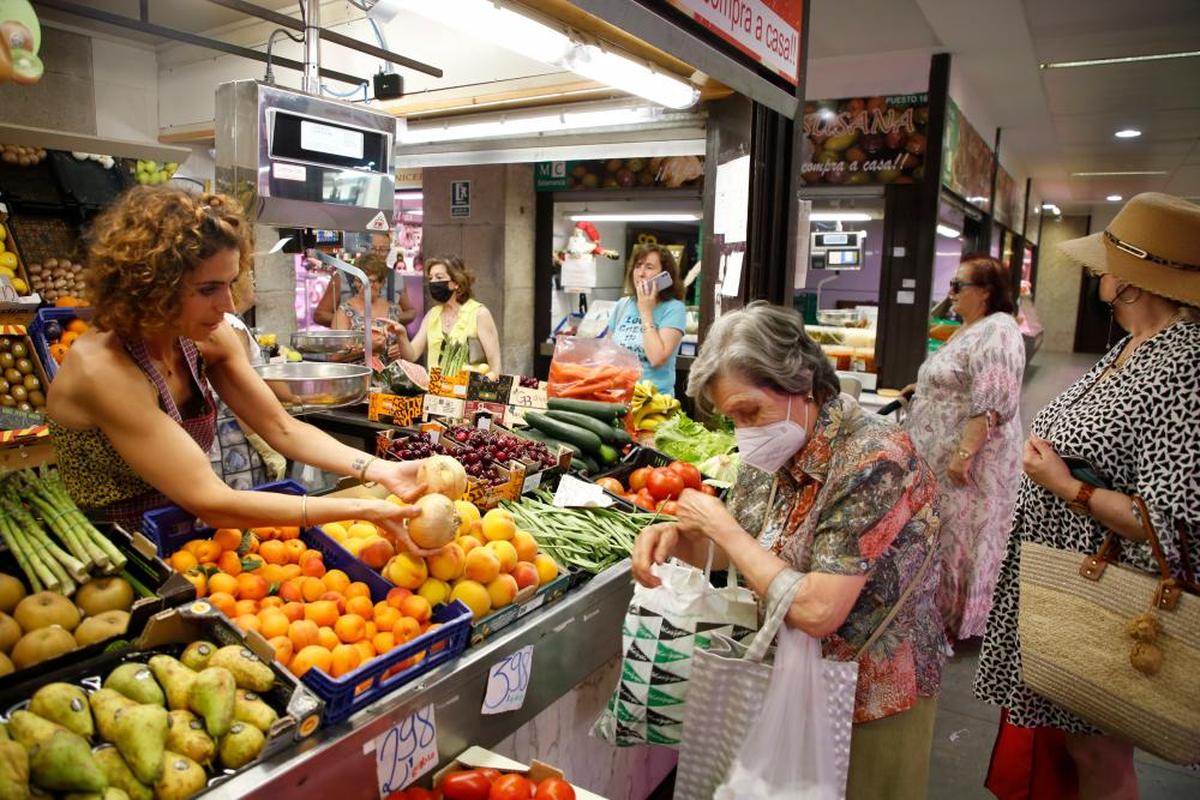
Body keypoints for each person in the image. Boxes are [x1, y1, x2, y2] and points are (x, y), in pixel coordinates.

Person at [631, 302, 945, 799]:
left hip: (868, 695)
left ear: (801, 383)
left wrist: (723, 529)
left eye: (749, 412)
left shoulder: (877, 460)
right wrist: (682, 541)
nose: (744, 433)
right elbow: (755, 553)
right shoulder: (774, 452)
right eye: (732, 418)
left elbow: (819, 610)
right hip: (786, 679)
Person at [46, 186, 438, 554]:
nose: (230, 305)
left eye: (231, 284)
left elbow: (283, 428)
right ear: (151, 286)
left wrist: (379, 468)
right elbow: (212, 501)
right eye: (208, 289)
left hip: (189, 539)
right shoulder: (105, 369)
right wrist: (362, 508)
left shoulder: (206, 338)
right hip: (115, 554)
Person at [974, 192, 1200, 800]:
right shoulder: (1130, 349)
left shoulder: (1184, 363)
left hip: (1104, 591)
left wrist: (1066, 486)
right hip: (1068, 576)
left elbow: (1167, 520)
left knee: (1099, 753)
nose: (1099, 272)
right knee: (1079, 746)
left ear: (1135, 279)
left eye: (1108, 263)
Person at [902, 255, 1025, 640]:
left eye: (959, 286)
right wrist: (920, 393)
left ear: (986, 292)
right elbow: (957, 380)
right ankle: (935, 612)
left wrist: (964, 454)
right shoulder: (970, 327)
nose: (951, 293)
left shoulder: (999, 329)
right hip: (938, 460)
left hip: (968, 467)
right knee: (943, 534)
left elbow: (992, 399)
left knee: (961, 539)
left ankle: (955, 621)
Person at [394, 255, 501, 376]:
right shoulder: (432, 315)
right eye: (430, 278)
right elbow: (412, 355)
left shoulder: (479, 314)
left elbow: (495, 367)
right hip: (436, 391)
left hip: (468, 391)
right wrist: (401, 334)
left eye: (439, 277)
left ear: (456, 283)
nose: (433, 282)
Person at [607, 244, 687, 396]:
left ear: (665, 274)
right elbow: (609, 353)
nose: (641, 273)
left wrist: (646, 311)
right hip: (618, 395)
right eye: (638, 266)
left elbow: (656, 358)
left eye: (649, 267)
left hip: (653, 402)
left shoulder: (674, 309)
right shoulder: (623, 305)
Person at [314, 232, 415, 327]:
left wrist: (390, 317)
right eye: (373, 248)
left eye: (383, 250)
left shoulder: (396, 278)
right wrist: (348, 320)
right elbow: (320, 315)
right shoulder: (342, 277)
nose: (377, 253)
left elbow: (411, 312)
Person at [332, 252, 407, 364]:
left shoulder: (393, 309)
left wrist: (399, 349)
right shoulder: (345, 312)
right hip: (357, 376)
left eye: (370, 281)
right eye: (359, 281)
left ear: (381, 283)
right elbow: (335, 356)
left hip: (387, 376)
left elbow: (403, 346)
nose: (364, 287)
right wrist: (367, 348)